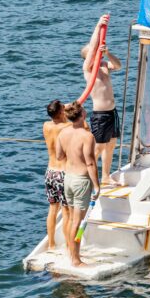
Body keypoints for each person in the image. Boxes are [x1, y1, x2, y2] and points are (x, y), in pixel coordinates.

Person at [56, 101, 100, 268]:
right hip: (81, 180)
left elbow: (59, 156)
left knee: (72, 218)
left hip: (68, 179)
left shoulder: (63, 133)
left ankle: (72, 251)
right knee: (77, 221)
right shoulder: (87, 136)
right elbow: (90, 163)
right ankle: (75, 259)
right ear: (82, 115)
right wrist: (97, 186)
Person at [82, 15, 122, 185]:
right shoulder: (88, 69)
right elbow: (92, 49)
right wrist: (98, 27)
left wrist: (107, 53)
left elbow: (118, 65)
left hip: (112, 113)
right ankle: (86, 175)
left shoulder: (104, 66)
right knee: (98, 147)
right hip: (100, 114)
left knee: (111, 145)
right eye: (95, 53)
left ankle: (106, 176)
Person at [43, 99, 72, 254]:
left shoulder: (46, 126)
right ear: (61, 113)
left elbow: (58, 117)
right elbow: (79, 122)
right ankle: (68, 246)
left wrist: (60, 110)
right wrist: (67, 109)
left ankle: (51, 244)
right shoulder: (66, 126)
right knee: (66, 211)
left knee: (52, 209)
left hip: (50, 172)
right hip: (63, 173)